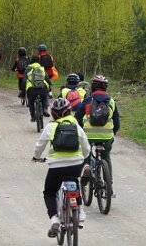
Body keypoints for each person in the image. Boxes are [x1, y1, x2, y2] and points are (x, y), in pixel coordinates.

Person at [32, 98, 90, 237]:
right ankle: (80, 211)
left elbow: (40, 145)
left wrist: (37, 156)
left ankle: (54, 219)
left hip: (56, 166)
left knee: (49, 192)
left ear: (53, 113)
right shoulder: (76, 125)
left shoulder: (51, 127)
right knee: (75, 182)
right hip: (76, 163)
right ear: (69, 111)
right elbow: (86, 146)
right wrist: (84, 156)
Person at [74, 75, 120, 196]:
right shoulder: (111, 101)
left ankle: (87, 166)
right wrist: (113, 133)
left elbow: (77, 117)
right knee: (106, 157)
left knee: (86, 153)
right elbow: (117, 123)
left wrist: (80, 130)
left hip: (89, 134)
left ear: (92, 86)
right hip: (106, 136)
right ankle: (109, 186)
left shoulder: (88, 100)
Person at [25, 55, 51, 121]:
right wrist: (50, 85)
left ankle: (33, 116)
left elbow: (23, 81)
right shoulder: (41, 68)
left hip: (31, 89)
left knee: (31, 102)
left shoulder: (28, 68)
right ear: (39, 61)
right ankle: (45, 108)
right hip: (42, 88)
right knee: (45, 95)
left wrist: (23, 91)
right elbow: (47, 78)